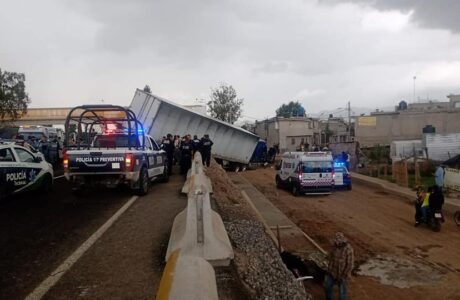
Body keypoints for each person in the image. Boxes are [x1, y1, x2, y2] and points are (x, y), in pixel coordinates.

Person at [324, 232, 354, 300]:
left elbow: (350, 265)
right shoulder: (334, 247)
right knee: (327, 286)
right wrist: (329, 271)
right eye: (335, 241)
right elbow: (331, 259)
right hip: (332, 272)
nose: (336, 243)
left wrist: (343, 276)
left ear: (342, 241)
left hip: (343, 275)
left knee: (342, 294)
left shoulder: (348, 250)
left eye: (337, 242)